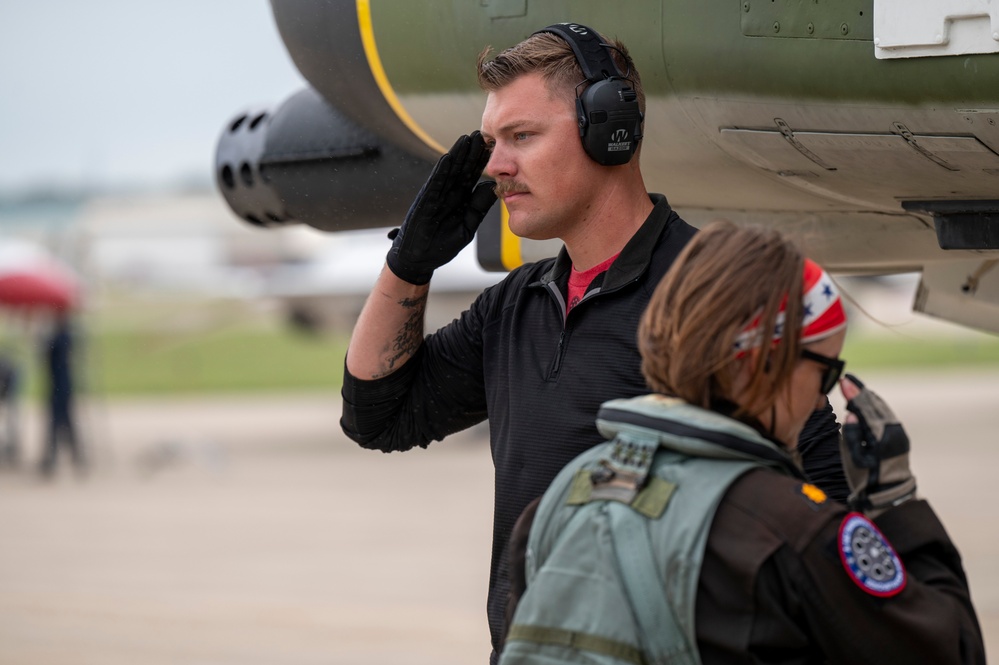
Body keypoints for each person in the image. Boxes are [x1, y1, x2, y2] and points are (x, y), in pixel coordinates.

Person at [340, 24, 843, 661]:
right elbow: (376, 415)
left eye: (522, 137)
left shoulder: (716, 294)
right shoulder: (515, 306)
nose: (496, 165)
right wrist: (409, 265)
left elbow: (826, 501)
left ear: (611, 131)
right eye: (493, 142)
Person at [499, 221, 985, 664]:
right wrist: (896, 501)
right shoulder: (793, 529)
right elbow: (951, 650)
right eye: (824, 371)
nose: (822, 397)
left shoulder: (561, 501)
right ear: (764, 362)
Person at [39, 311, 84, 477]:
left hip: (60, 387)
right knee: (65, 424)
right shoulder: (64, 336)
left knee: (58, 424)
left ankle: (53, 460)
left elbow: (46, 353)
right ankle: (73, 457)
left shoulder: (61, 338)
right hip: (60, 386)